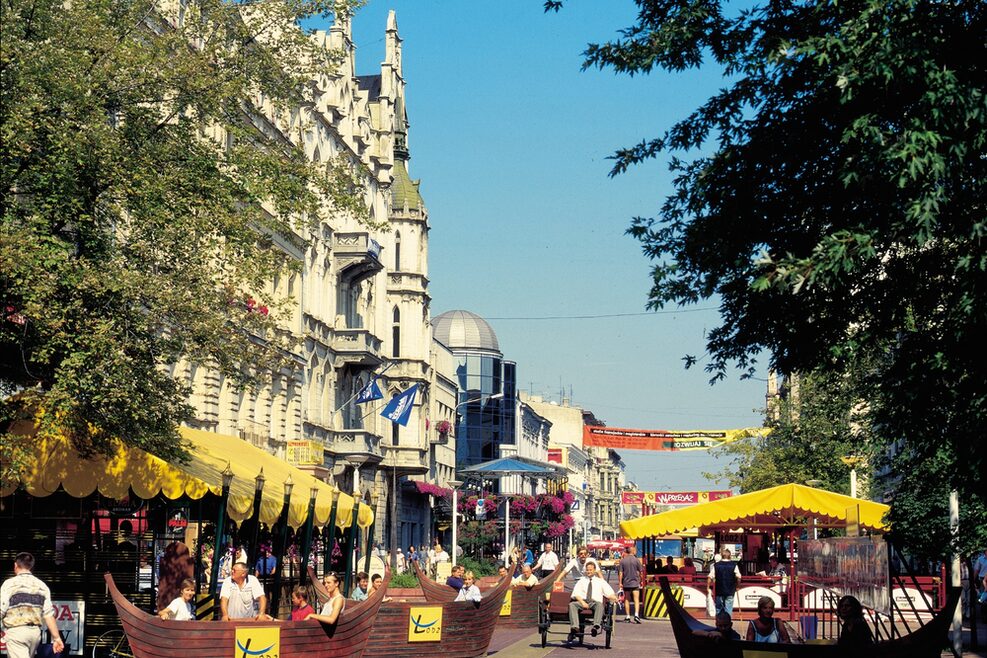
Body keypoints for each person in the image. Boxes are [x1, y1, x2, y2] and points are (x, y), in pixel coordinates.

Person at [0, 552, 66, 658]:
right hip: (35, 634)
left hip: (16, 632)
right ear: (32, 567)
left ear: (15, 565)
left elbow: (1, 610)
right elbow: (48, 615)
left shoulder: (9, 584)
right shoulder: (42, 586)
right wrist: (57, 638)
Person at [567, 561, 617, 644]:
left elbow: (609, 593)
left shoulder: (600, 581)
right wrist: (582, 602)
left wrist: (614, 597)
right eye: (587, 570)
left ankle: (596, 626)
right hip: (583, 601)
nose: (589, 571)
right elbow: (575, 594)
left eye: (590, 570)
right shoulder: (581, 581)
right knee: (572, 604)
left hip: (594, 602)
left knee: (599, 604)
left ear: (594, 571)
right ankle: (575, 627)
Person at [708, 548, 741, 615]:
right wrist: (737, 586)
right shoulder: (734, 565)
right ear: (730, 556)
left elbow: (709, 577)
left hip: (719, 590)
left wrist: (708, 587)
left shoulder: (716, 565)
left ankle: (719, 623)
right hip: (730, 590)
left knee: (719, 609)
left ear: (722, 556)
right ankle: (727, 623)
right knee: (728, 609)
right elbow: (739, 577)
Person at [617, 545, 644, 624]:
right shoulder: (636, 560)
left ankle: (628, 616)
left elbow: (621, 573)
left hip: (626, 583)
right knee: (636, 599)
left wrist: (620, 583)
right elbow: (641, 572)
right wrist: (641, 580)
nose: (636, 551)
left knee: (627, 599)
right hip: (635, 582)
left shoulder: (623, 561)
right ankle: (636, 615)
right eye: (635, 550)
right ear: (632, 551)